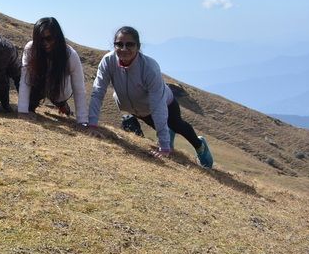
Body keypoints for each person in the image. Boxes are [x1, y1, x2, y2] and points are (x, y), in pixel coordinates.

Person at [87, 26, 214, 168]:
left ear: (138, 46)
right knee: (160, 125)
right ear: (114, 45)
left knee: (177, 125)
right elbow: (98, 91)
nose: (124, 48)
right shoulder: (108, 61)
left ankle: (200, 146)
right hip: (136, 108)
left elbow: (158, 106)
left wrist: (164, 147)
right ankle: (167, 134)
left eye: (129, 44)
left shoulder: (149, 67)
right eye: (119, 44)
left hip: (164, 103)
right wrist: (92, 124)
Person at [17, 17, 87, 128]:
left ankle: (62, 105)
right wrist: (22, 111)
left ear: (57, 37)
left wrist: (82, 121)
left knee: (59, 98)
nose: (45, 43)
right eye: (40, 40)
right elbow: (25, 80)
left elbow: (79, 89)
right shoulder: (30, 49)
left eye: (49, 38)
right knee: (31, 98)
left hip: (60, 89)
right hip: (39, 85)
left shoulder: (70, 55)